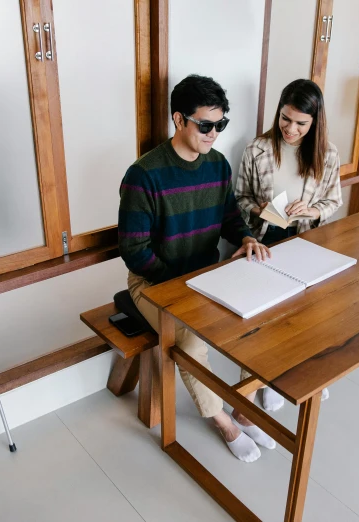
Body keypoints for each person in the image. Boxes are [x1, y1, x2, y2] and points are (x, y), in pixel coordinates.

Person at [118, 75, 275, 463]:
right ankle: (224, 420)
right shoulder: (145, 175)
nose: (214, 134)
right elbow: (134, 251)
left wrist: (247, 238)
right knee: (188, 342)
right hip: (153, 284)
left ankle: (244, 405)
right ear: (179, 119)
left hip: (207, 278)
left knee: (260, 315)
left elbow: (230, 220)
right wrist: (178, 285)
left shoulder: (217, 165)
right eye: (205, 125)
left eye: (220, 125)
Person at [235, 78, 341, 411]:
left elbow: (333, 200)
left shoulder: (328, 154)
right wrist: (261, 209)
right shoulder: (257, 149)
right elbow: (240, 197)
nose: (290, 128)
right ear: (278, 111)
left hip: (307, 240)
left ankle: (296, 376)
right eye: (285, 118)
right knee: (264, 322)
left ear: (315, 122)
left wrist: (312, 209)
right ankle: (262, 381)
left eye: (300, 123)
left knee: (306, 316)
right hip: (267, 240)